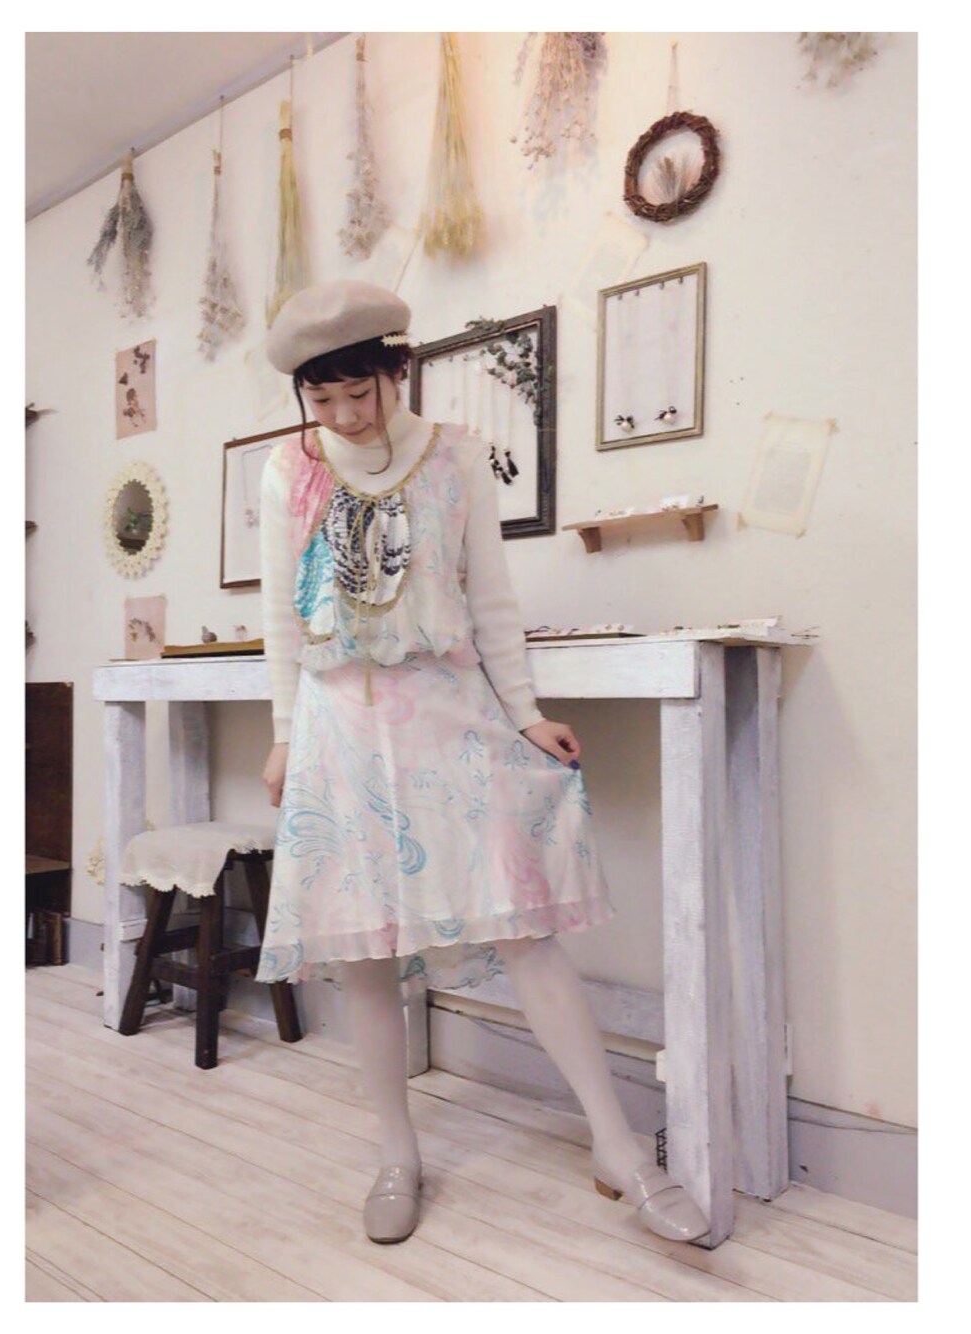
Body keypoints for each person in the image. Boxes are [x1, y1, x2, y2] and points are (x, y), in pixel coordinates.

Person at [256, 279, 709, 1246]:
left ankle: (617, 1146)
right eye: (322, 398)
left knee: (526, 926)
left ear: (398, 369)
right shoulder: (288, 471)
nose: (343, 415)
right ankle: (397, 1153)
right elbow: (279, 619)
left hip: (449, 712)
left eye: (359, 392)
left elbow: (492, 603)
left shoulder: (456, 456)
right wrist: (285, 735)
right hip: (338, 726)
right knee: (366, 952)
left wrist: (528, 714)